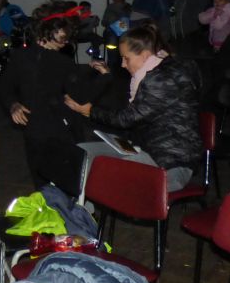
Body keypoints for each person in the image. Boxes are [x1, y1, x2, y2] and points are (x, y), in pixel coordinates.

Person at [65, 24, 202, 192]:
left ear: (144, 55)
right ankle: (81, 206)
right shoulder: (160, 71)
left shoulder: (161, 80)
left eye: (126, 58)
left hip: (170, 163)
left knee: (101, 173)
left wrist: (89, 111)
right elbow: (131, 114)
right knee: (83, 153)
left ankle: (82, 206)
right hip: (150, 149)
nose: (123, 64)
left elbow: (127, 118)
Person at [0, 2, 90, 195]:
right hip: (47, 130)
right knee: (56, 185)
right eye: (64, 33)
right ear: (50, 30)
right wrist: (13, 104)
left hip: (51, 128)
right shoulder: (28, 57)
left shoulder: (53, 60)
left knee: (49, 185)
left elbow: (77, 98)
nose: (67, 39)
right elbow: (5, 86)